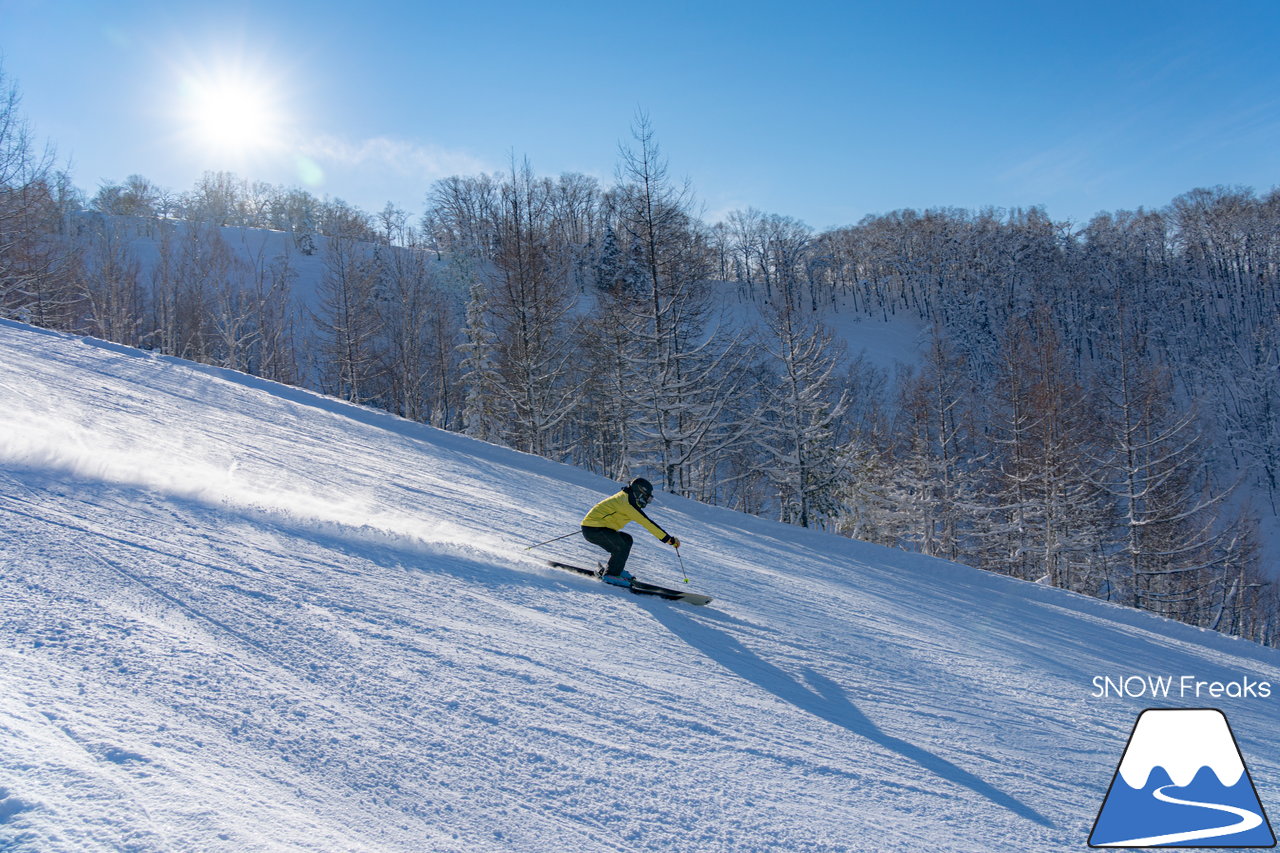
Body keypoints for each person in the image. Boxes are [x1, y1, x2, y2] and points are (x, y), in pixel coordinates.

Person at [581, 477, 681, 586]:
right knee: (619, 546)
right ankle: (611, 575)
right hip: (593, 529)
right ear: (640, 493)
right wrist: (669, 540)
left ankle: (616, 569)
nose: (646, 502)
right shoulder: (628, 504)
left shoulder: (626, 497)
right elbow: (647, 523)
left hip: (596, 527)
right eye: (646, 498)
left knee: (626, 539)